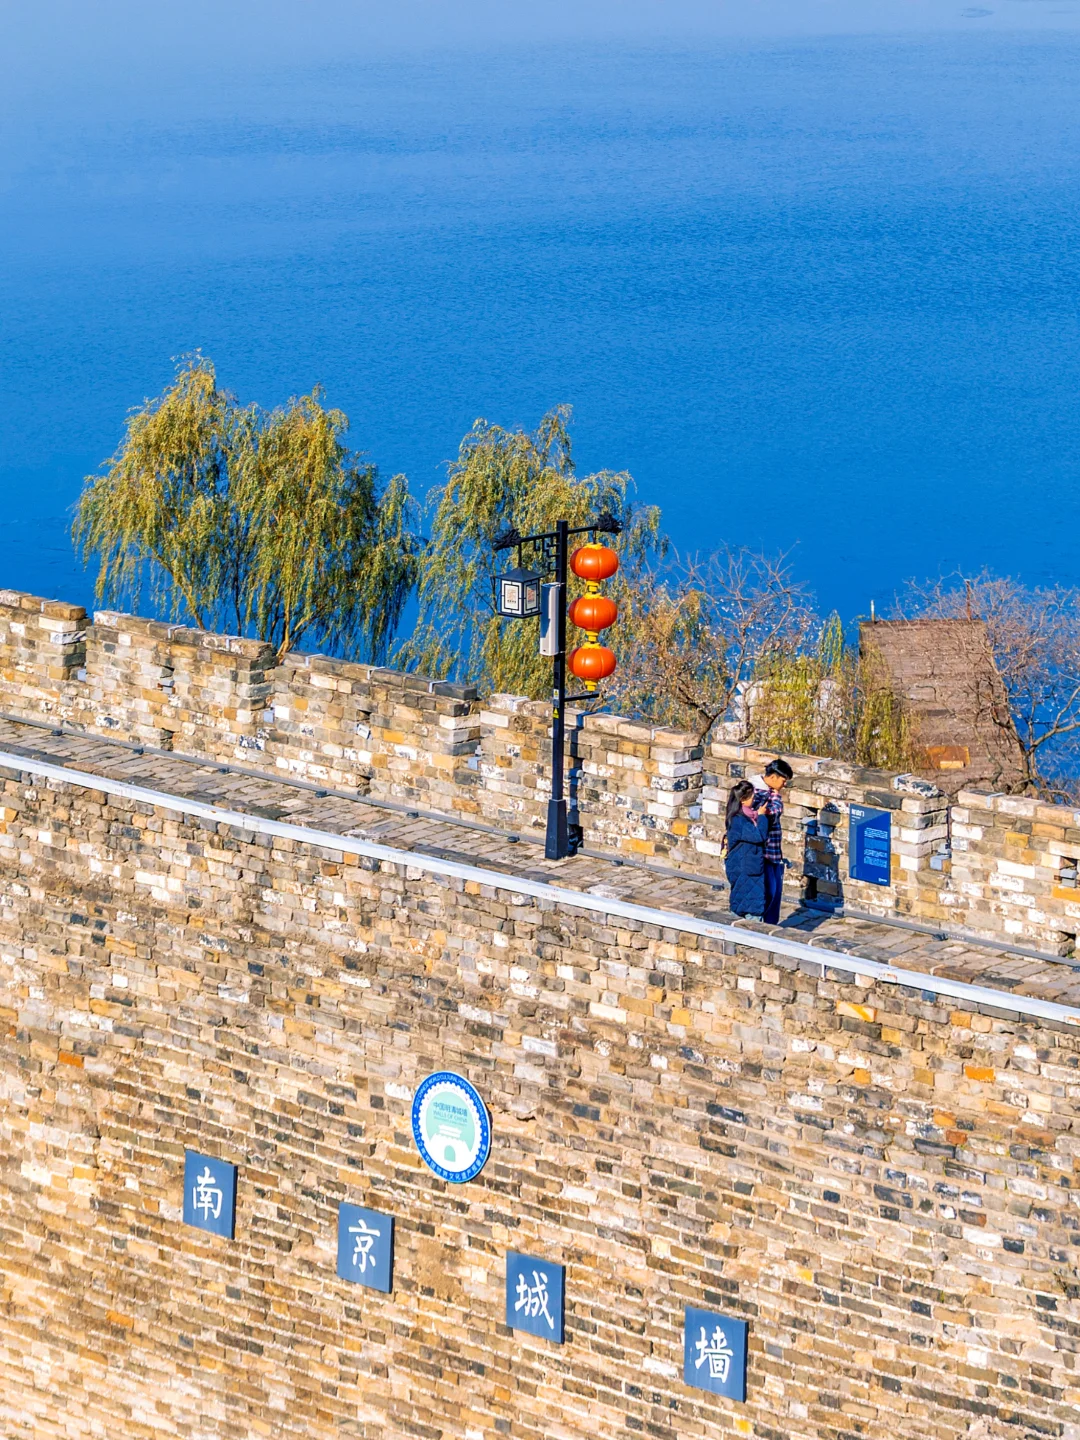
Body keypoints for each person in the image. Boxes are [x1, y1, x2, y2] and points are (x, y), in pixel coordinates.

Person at [751, 758, 794, 925]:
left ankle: (771, 927)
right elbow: (771, 815)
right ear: (774, 777)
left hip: (774, 852)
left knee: (775, 894)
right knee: (768, 892)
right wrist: (776, 797)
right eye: (783, 781)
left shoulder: (769, 792)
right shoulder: (756, 792)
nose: (784, 785)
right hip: (763, 852)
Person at [724, 780, 768, 919]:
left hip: (748, 865)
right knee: (749, 905)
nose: (754, 799)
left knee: (743, 900)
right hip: (746, 867)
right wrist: (762, 816)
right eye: (752, 797)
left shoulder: (745, 816)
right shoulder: (739, 820)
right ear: (743, 800)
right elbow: (759, 836)